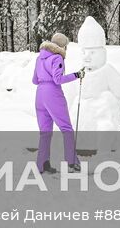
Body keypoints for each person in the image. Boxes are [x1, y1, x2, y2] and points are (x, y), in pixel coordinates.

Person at [33, 32, 84, 172]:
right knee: (66, 128)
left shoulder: (40, 58)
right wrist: (76, 75)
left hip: (39, 95)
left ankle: (42, 164)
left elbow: (34, 80)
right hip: (52, 94)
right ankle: (72, 162)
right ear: (62, 46)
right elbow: (57, 79)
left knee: (45, 132)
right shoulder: (57, 58)